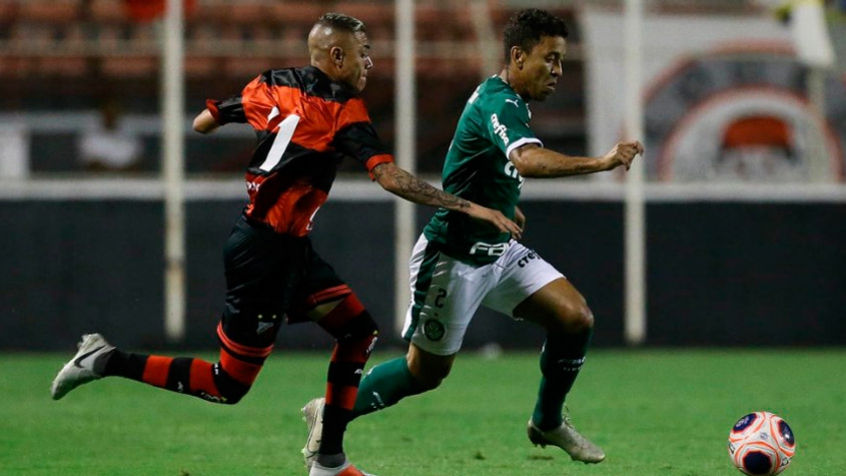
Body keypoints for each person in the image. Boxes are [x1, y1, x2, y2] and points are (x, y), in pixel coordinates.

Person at [50, 12, 520, 476]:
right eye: (364, 53)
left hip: (287, 247)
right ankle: (103, 359)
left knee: (358, 331)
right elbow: (388, 176)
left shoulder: (270, 83)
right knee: (227, 385)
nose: (369, 64)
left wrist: (258, 123)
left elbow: (202, 122)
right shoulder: (343, 110)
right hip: (264, 255)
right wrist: (468, 206)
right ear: (336, 56)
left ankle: (330, 462)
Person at [302, 8, 644, 468]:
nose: (558, 71)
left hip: (499, 249)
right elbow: (527, 162)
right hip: (453, 256)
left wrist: (504, 201)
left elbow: (479, 164)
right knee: (424, 373)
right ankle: (332, 409)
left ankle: (547, 421)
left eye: (562, 61)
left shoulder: (508, 101)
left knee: (574, 317)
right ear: (519, 56)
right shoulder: (499, 101)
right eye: (551, 59)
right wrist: (601, 162)